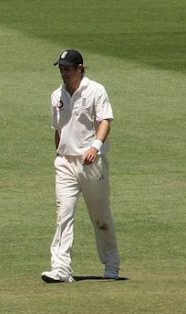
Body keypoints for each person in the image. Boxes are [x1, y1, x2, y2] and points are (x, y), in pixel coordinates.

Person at [41, 49, 121, 284]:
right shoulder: (57, 95)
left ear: (80, 69)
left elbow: (105, 120)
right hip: (65, 163)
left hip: (92, 162)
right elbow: (59, 129)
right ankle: (61, 269)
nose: (63, 73)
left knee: (100, 216)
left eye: (67, 68)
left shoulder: (96, 90)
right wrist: (59, 154)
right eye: (61, 68)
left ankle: (112, 264)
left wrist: (95, 147)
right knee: (63, 215)